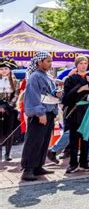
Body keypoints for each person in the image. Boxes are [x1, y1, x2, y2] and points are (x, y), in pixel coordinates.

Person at [62, 55, 89, 173]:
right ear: (76, 65)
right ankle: (73, 164)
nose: (83, 66)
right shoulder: (70, 79)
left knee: (86, 137)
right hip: (75, 111)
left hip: (88, 110)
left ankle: (84, 163)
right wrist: (80, 89)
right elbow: (65, 99)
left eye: (85, 63)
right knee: (74, 138)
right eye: (80, 63)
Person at [21, 52, 61, 181]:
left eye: (51, 61)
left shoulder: (47, 76)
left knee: (44, 141)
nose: (51, 63)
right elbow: (33, 96)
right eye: (48, 61)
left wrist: (57, 93)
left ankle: (38, 166)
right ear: (39, 62)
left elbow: (49, 92)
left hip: (49, 112)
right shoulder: (35, 76)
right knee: (34, 141)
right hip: (41, 113)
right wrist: (40, 113)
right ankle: (28, 169)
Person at [0, 58, 19, 162]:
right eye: (1, 69)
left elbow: (16, 95)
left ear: (10, 70)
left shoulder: (15, 81)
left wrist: (8, 106)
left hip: (10, 109)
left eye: (6, 68)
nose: (3, 70)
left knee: (9, 132)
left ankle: (7, 154)